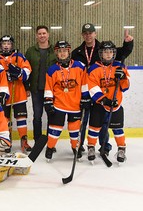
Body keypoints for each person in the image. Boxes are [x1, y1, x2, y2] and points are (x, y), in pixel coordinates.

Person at [71, 23, 134, 155]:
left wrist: (128, 43)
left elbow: (122, 53)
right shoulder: (76, 52)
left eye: (91, 33)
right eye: (86, 33)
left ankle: (104, 146)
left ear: (95, 34)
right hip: (84, 90)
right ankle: (80, 145)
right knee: (84, 120)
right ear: (82, 35)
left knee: (103, 121)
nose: (88, 35)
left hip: (102, 90)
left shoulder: (102, 48)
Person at [43, 41, 88, 161]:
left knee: (74, 129)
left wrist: (85, 97)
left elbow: (84, 84)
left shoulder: (80, 66)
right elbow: (49, 87)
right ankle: (50, 147)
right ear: (56, 53)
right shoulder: (52, 69)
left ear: (69, 51)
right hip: (59, 104)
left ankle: (75, 148)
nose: (62, 54)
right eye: (59, 51)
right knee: (55, 128)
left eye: (65, 51)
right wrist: (48, 101)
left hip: (75, 104)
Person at [86, 41, 130, 163]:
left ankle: (121, 149)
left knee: (118, 129)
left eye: (111, 51)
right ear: (101, 54)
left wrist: (123, 78)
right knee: (94, 128)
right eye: (105, 52)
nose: (108, 54)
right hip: (100, 104)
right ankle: (91, 147)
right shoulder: (94, 69)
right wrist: (104, 100)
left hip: (115, 104)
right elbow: (92, 87)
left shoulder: (119, 66)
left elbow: (125, 87)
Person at [0, 35, 32, 153]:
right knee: (5, 119)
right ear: (0, 45)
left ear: (12, 45)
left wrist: (19, 73)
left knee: (21, 117)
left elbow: (27, 71)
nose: (6, 46)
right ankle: (7, 140)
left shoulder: (18, 56)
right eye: (4, 43)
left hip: (19, 93)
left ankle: (24, 140)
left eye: (8, 43)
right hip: (4, 94)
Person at [25, 26, 57, 143]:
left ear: (48, 35)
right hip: (36, 89)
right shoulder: (30, 51)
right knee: (37, 116)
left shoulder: (55, 51)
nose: (42, 36)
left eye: (44, 33)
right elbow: (26, 70)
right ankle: (38, 140)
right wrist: (26, 87)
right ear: (36, 36)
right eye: (39, 33)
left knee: (51, 116)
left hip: (52, 90)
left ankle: (50, 141)